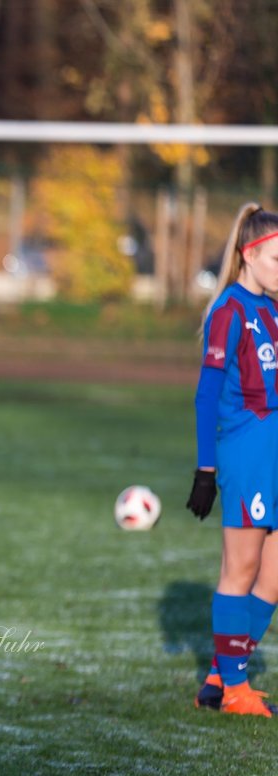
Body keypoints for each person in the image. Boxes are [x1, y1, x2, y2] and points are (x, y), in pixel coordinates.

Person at [187, 202, 278, 717]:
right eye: (277, 259)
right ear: (249, 256)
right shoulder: (230, 310)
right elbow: (206, 396)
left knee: (274, 576)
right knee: (240, 569)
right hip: (245, 454)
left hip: (275, 452)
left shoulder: (272, 309)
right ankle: (237, 690)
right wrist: (206, 470)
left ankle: (223, 672)